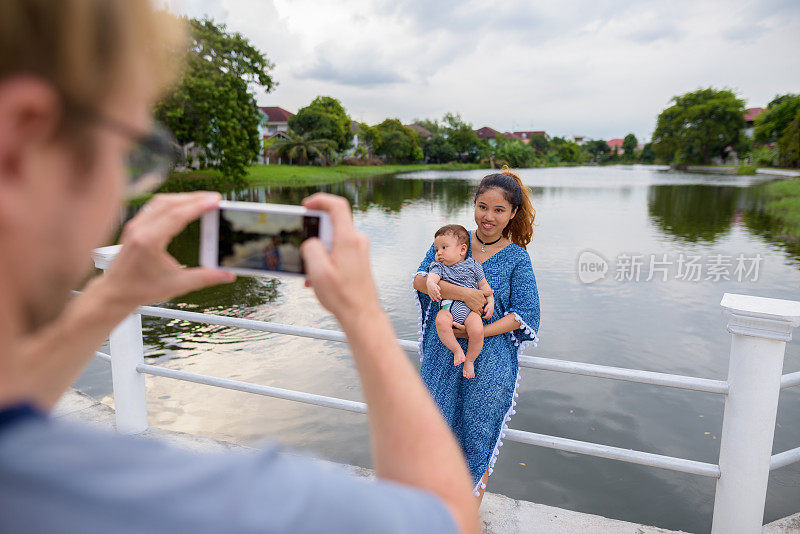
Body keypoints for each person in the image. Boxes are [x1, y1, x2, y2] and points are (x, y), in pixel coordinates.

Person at [0, 1, 478, 532]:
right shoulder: (210, 505)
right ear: (22, 143)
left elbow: (11, 411)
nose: (122, 189)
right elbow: (449, 518)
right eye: (126, 155)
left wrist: (111, 300)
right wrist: (365, 316)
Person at [412, 166, 541, 499]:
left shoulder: (517, 258)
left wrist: (477, 332)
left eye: (499, 210)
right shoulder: (454, 241)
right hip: (442, 356)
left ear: (513, 213)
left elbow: (525, 317)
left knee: (475, 434)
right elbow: (419, 280)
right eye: (483, 206)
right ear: (474, 205)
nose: (488, 216)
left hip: (488, 362)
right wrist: (464, 294)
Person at [425, 224, 494, 379]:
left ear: (462, 249)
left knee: (477, 331)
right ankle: (457, 350)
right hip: (448, 308)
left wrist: (490, 300)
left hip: (470, 312)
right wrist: (430, 284)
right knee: (441, 321)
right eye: (437, 249)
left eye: (444, 247)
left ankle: (469, 360)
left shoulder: (474, 266)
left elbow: (484, 286)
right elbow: (432, 278)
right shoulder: (439, 266)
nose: (439, 252)